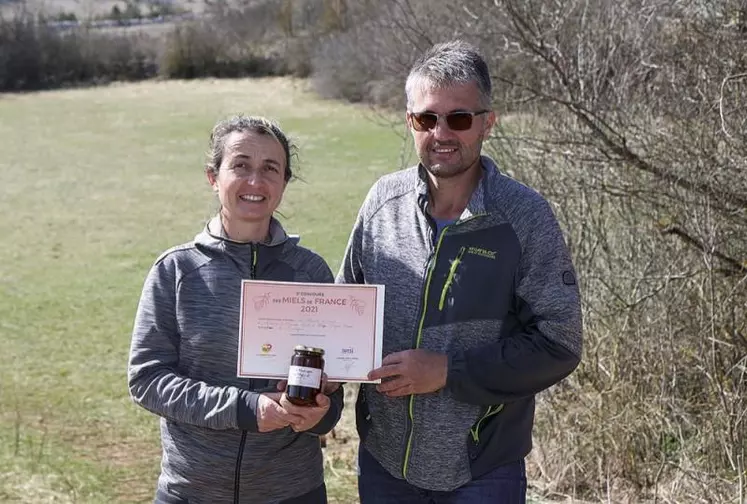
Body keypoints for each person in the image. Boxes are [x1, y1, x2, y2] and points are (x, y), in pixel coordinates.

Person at [337, 40, 583, 503]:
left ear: (488, 123)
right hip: (384, 465)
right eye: (427, 118)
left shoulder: (524, 216)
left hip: (482, 469)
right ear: (410, 121)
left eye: (459, 118)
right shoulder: (381, 203)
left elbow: (559, 343)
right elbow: (344, 311)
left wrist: (449, 371)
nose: (441, 132)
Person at [128, 115, 343, 504]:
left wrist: (322, 415)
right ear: (213, 176)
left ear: (284, 183)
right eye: (240, 166)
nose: (255, 182)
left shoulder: (310, 272)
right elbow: (147, 380)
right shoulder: (176, 270)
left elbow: (333, 385)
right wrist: (244, 409)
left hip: (292, 491)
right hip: (192, 490)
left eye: (270, 169)